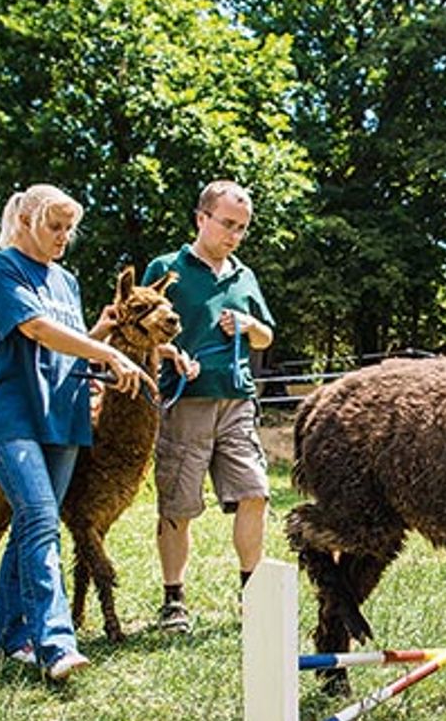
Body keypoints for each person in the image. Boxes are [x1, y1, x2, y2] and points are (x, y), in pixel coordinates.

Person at [0, 184, 155, 680]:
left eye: (69, 230)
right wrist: (108, 352)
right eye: (55, 226)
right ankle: (54, 643)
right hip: (12, 416)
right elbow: (34, 330)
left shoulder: (66, 282)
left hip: (64, 417)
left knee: (31, 528)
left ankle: (5, 639)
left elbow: (64, 348)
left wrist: (100, 340)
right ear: (28, 219)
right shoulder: (0, 268)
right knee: (39, 519)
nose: (63, 237)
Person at [143, 180, 275, 634]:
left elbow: (266, 337)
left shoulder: (245, 276)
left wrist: (248, 322)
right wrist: (173, 354)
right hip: (185, 403)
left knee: (255, 493)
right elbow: (140, 331)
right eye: (227, 224)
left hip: (237, 402)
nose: (235, 236)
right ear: (202, 218)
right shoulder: (167, 268)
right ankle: (173, 600)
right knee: (178, 504)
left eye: (242, 228)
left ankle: (253, 597)